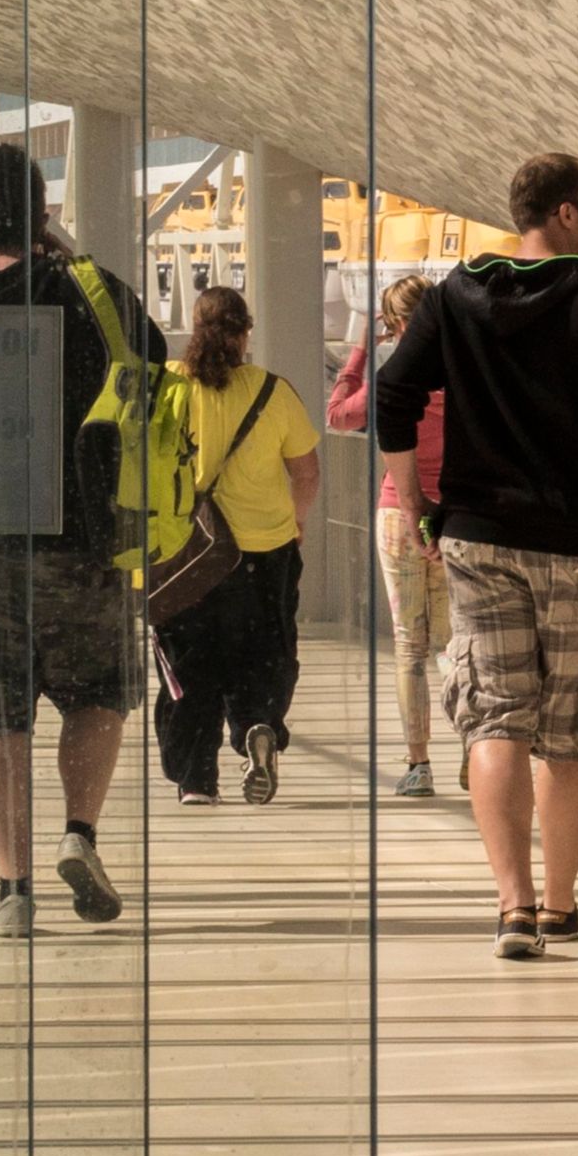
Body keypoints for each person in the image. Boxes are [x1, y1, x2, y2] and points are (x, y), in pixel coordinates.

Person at [374, 152, 578, 962]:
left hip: (476, 538)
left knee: (494, 716)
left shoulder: (455, 297)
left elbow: (393, 395)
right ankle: (561, 907)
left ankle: (512, 906)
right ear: (566, 215)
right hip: (575, 546)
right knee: (568, 728)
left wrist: (415, 496)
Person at [0, 145, 164, 934]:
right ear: (44, 215)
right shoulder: (89, 299)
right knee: (98, 695)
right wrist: (70, 256)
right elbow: (154, 353)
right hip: (83, 542)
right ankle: (78, 832)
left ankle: (12, 891)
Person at [156, 286, 325, 807]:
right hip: (265, 549)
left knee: (190, 660)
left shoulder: (167, 387)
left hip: (186, 549)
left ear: (193, 326)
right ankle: (257, 724)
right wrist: (295, 521)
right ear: (244, 333)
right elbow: (306, 472)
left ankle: (196, 779)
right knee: (262, 651)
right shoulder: (274, 391)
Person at [330, 275, 450, 797]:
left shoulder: (392, 376)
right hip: (456, 518)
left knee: (410, 646)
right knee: (459, 643)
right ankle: (478, 748)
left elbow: (337, 415)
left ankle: (419, 763)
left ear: (394, 324)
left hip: (398, 512)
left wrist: (360, 348)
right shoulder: (462, 373)